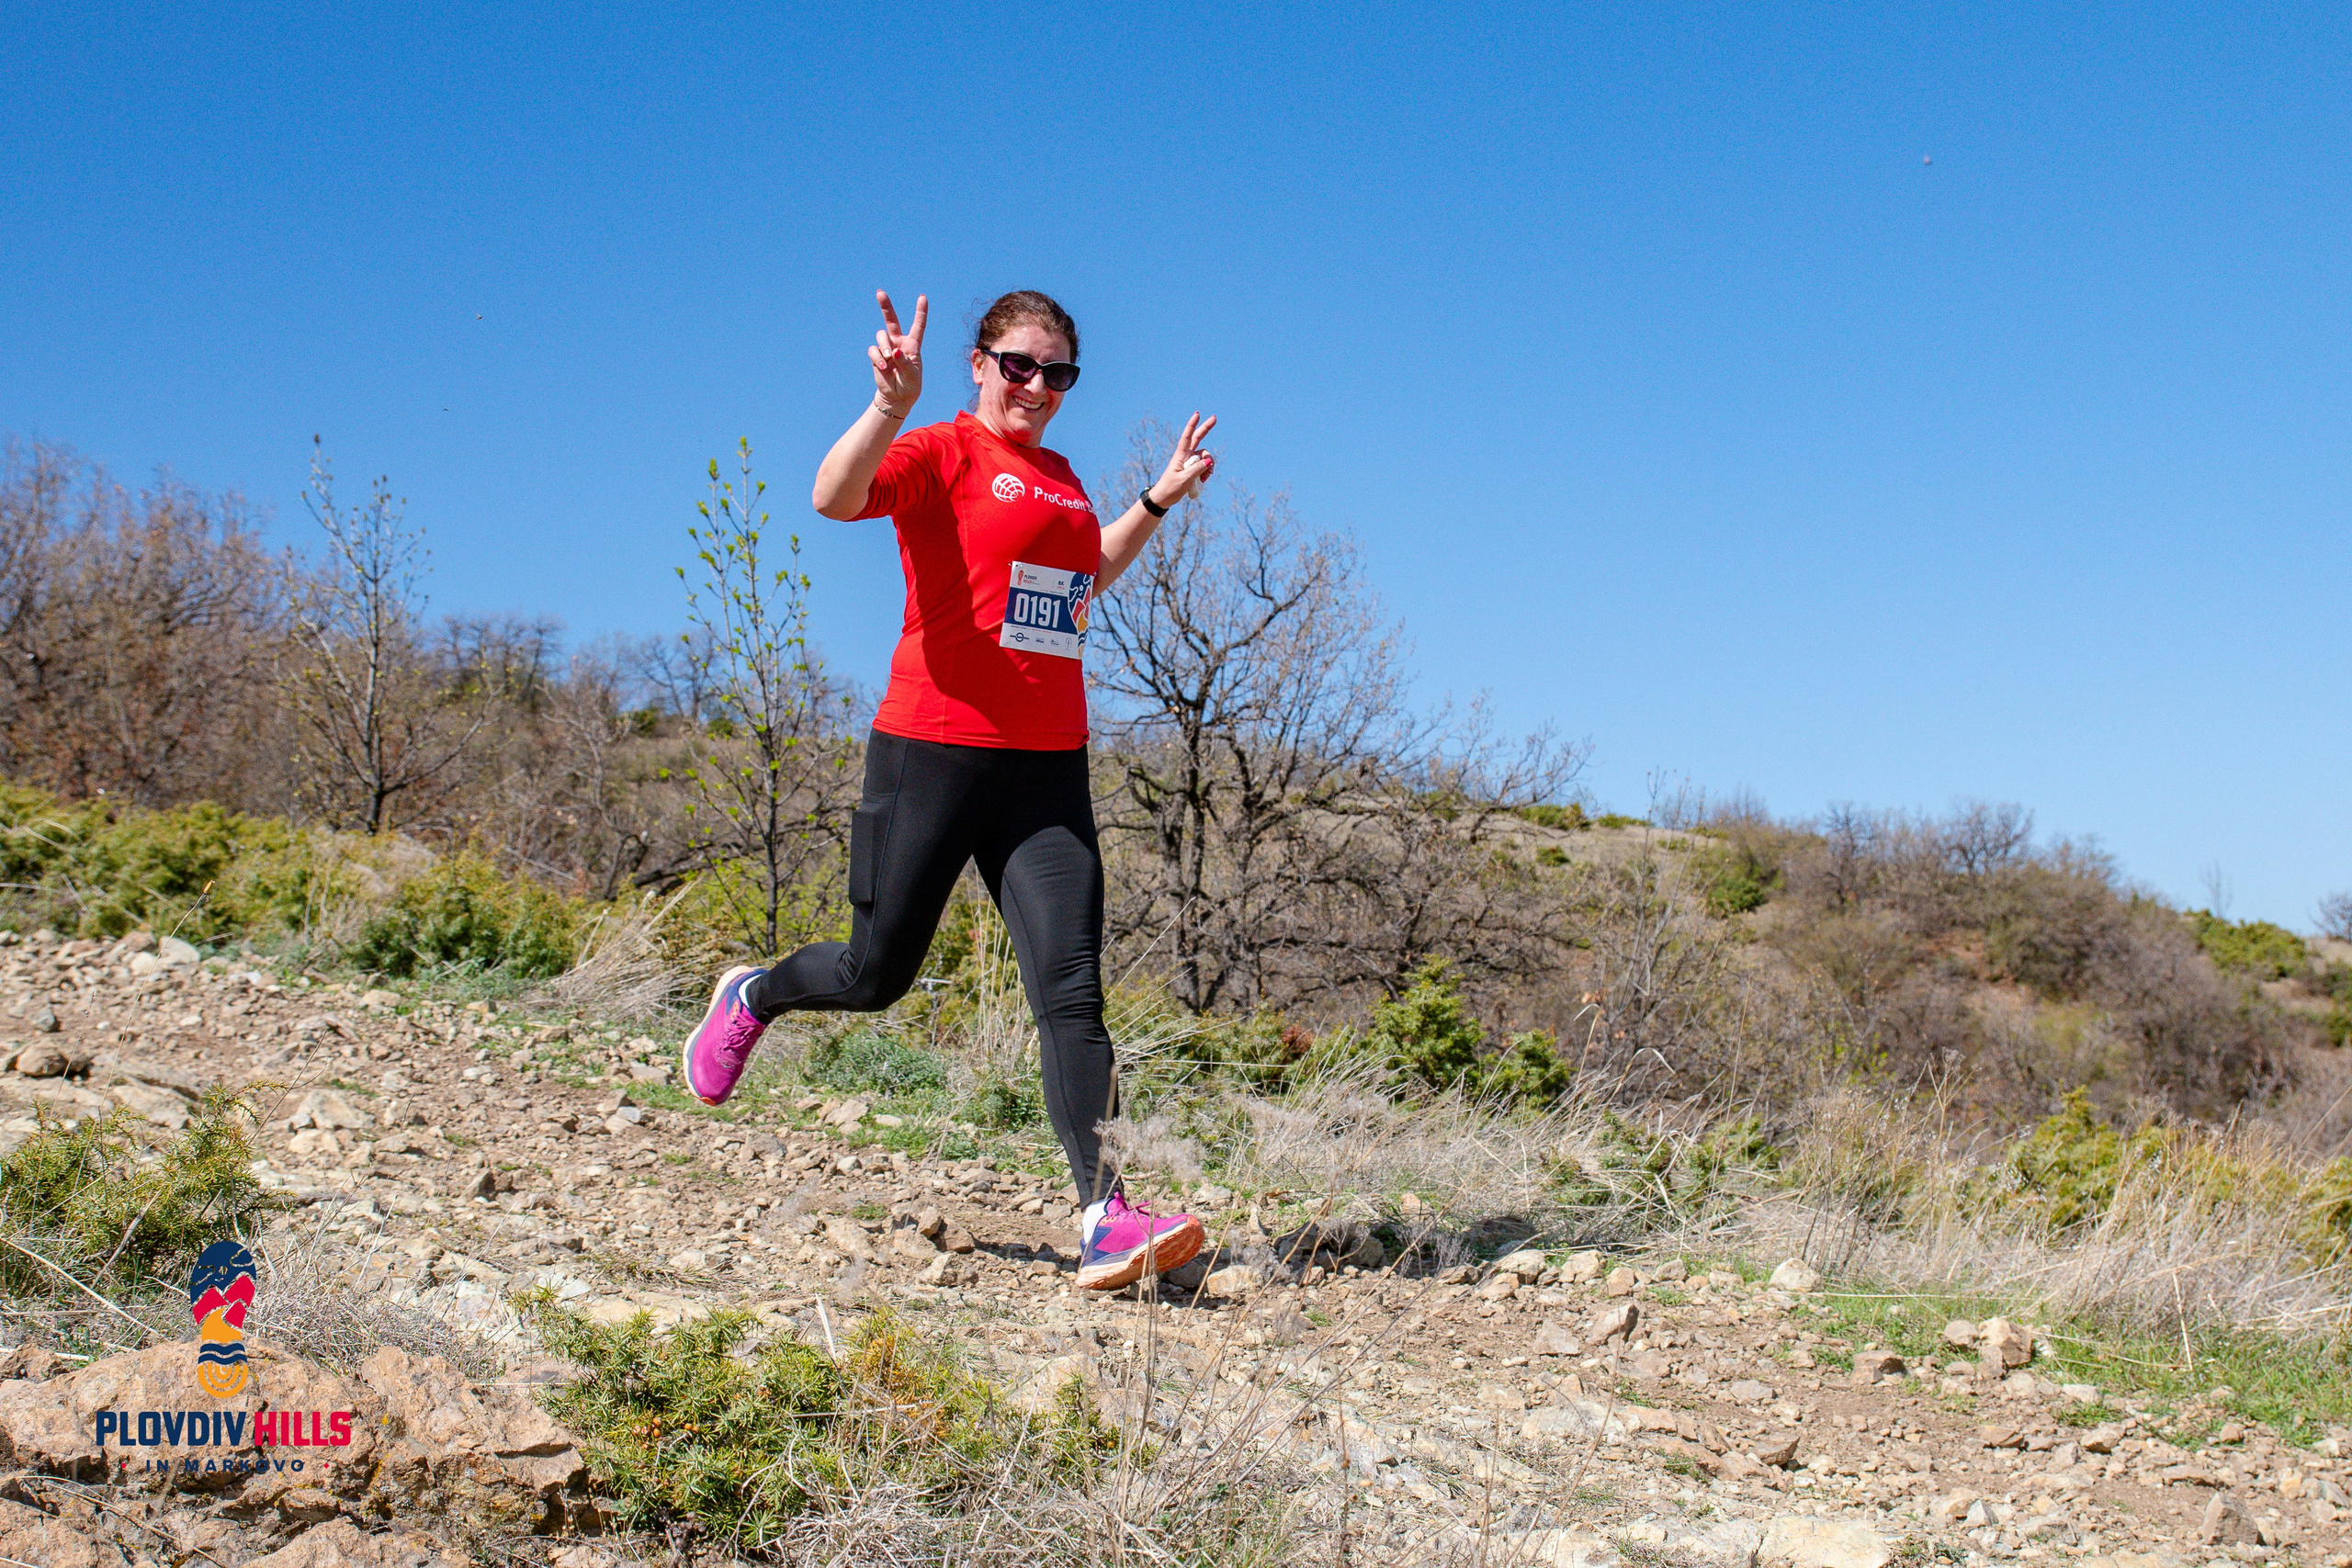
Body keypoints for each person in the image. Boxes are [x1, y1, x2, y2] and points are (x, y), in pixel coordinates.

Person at [680, 288, 1219, 1292]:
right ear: (979, 363)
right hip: (931, 749)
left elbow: (1078, 580)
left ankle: (1105, 1214)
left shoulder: (1059, 480)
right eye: (1018, 366)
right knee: (874, 974)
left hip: (1045, 768)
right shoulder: (940, 451)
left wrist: (1152, 500)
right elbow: (833, 498)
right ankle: (751, 993)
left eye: (1057, 374)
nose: (1037, 389)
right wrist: (888, 404)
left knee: (1070, 990)